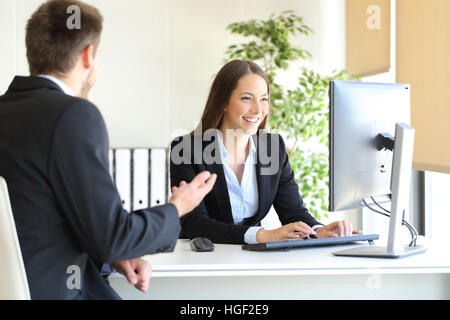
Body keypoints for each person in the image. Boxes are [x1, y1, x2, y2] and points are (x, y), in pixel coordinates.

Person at [0, 0, 216, 299]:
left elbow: (35, 219)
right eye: (100, 54)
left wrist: (112, 254)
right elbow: (113, 237)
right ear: (88, 55)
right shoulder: (73, 115)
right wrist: (177, 207)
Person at [170, 59, 359, 244]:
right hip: (202, 259)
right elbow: (194, 223)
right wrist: (260, 235)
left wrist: (318, 231)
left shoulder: (272, 148)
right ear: (224, 102)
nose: (258, 109)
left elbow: (293, 212)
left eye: (264, 99)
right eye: (246, 98)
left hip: (253, 259)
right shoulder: (187, 149)